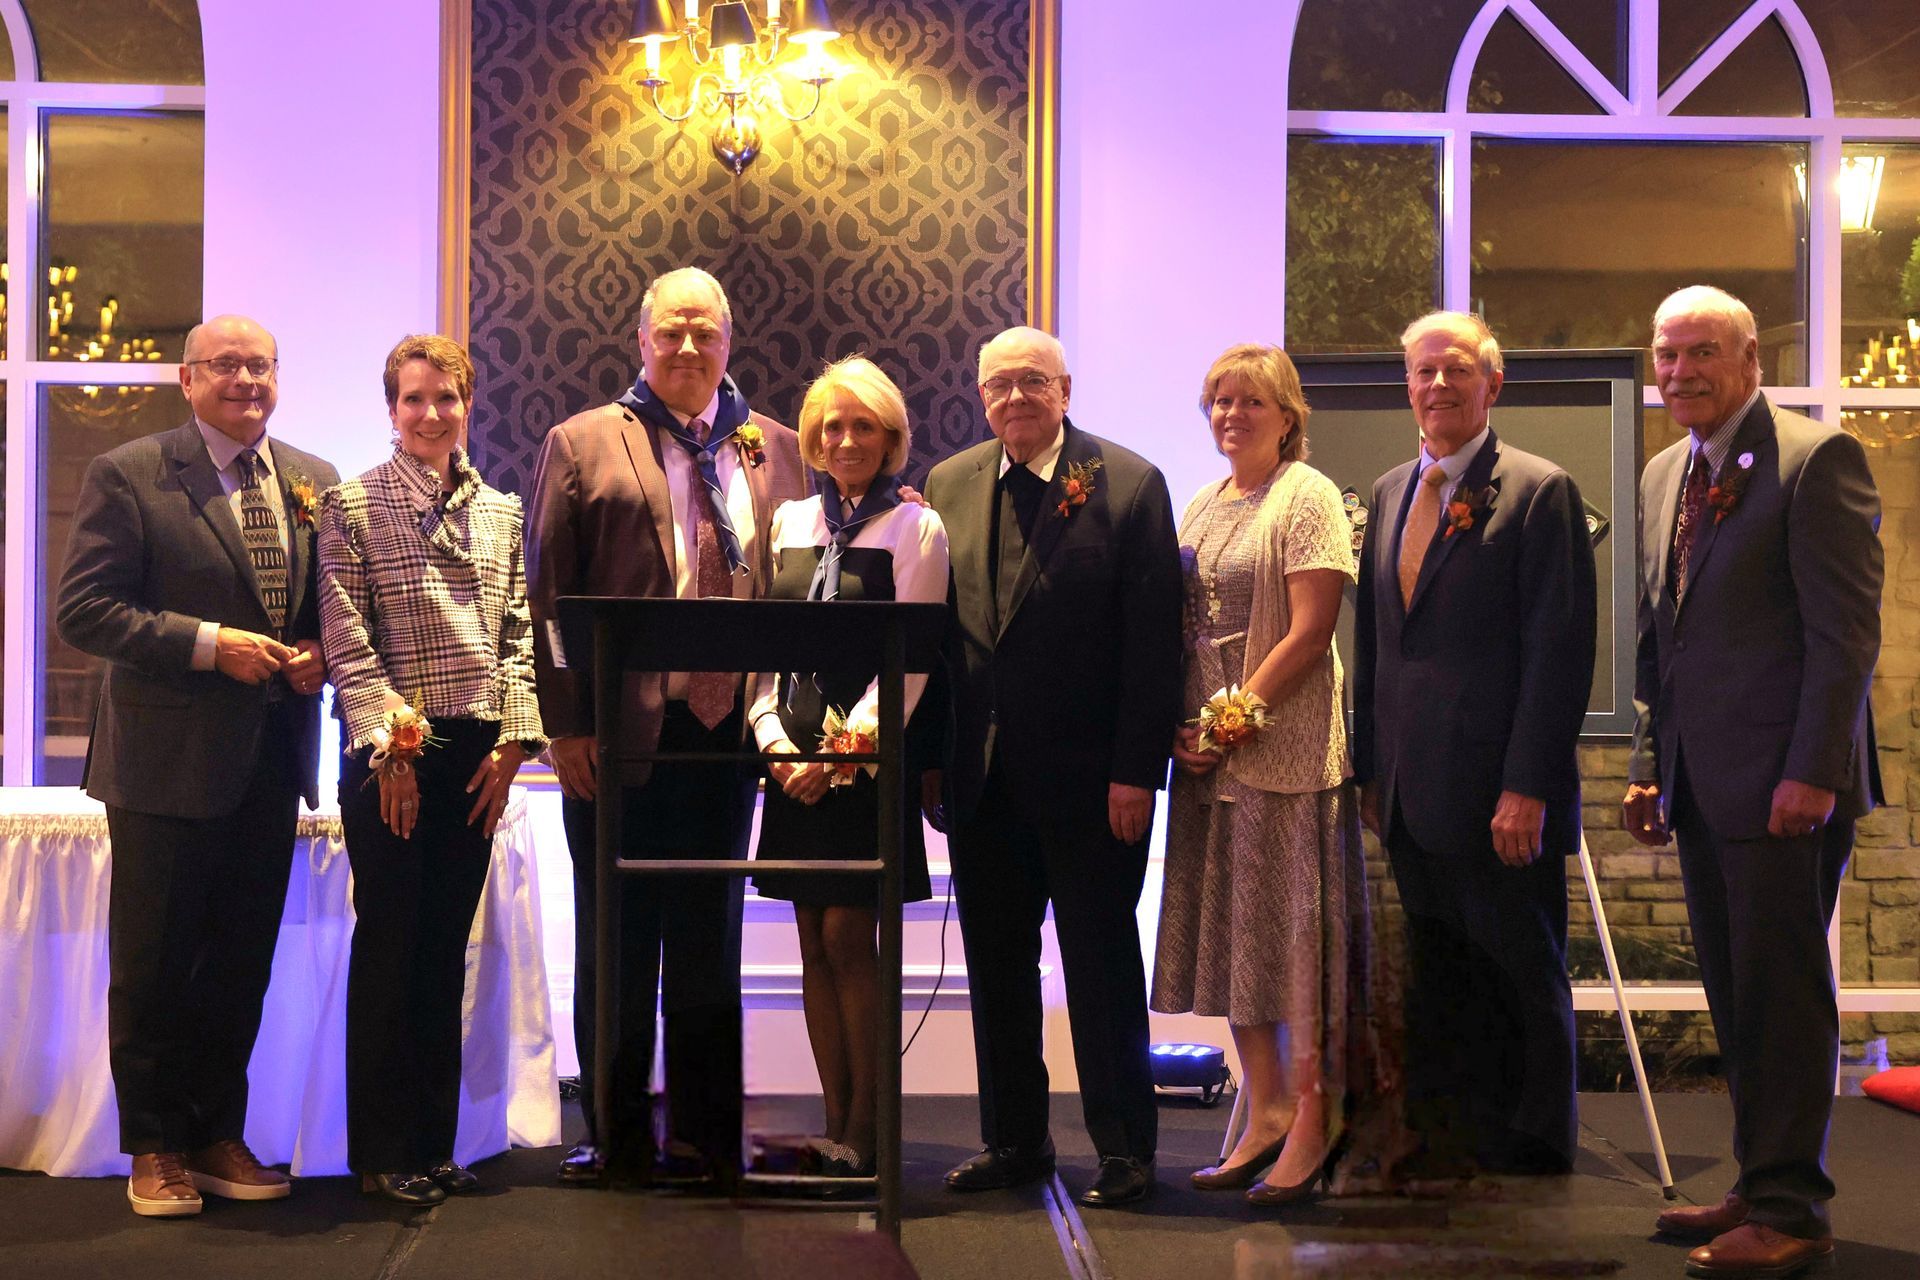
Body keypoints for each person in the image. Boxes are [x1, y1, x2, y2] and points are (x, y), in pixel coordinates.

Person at [526, 267, 807, 1188]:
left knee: (707, 939)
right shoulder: (582, 441)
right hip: (616, 738)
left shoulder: (780, 449)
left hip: (731, 738)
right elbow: (549, 600)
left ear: (730, 339)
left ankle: (703, 1135)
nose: (688, 348)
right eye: (670, 332)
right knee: (615, 941)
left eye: (705, 332)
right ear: (641, 339)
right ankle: (615, 1138)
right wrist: (565, 728)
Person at [55, 314, 338, 1217]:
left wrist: (320, 653)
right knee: (153, 967)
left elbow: (325, 607)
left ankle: (219, 1134)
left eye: (262, 365)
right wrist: (211, 646)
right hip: (161, 766)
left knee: (238, 964)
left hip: (269, 762)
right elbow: (86, 611)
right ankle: (156, 1147)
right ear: (187, 378)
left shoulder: (314, 480)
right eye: (227, 366)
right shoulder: (129, 473)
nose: (247, 380)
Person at [1625, 286, 1881, 1279]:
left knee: (1782, 994)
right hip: (1703, 781)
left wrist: (1814, 771)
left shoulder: (1816, 458)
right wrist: (1653, 765)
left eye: (1701, 353)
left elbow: (1845, 634)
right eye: (1668, 353)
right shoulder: (1661, 473)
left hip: (1785, 787)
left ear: (1747, 359)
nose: (1681, 371)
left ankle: (1794, 1208)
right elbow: (1664, 639)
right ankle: (1759, 1174)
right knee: (1736, 991)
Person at [923, 326, 1182, 1207]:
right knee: (997, 969)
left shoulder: (1132, 483)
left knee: (1102, 964)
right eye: (998, 385)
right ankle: (1015, 1141)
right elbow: (936, 642)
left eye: (1033, 382)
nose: (1015, 399)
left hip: (1093, 784)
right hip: (982, 781)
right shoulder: (947, 484)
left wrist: (1136, 772)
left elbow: (1154, 647)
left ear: (1066, 389)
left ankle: (1125, 1149)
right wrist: (932, 762)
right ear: (981, 396)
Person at [1350, 311, 1595, 1181]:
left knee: (1521, 963)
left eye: (1458, 370)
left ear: (1494, 384)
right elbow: (1378, 645)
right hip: (1412, 788)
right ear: (1407, 386)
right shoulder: (1386, 492)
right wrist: (1369, 770)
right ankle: (1454, 1128)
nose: (1439, 385)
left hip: (1501, 792)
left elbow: (1559, 654)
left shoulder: (1537, 491)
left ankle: (1533, 1137)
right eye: (1423, 371)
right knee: (1441, 967)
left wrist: (1528, 786)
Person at [317, 334, 544, 1205]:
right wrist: (390, 745)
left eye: (445, 398)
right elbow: (346, 637)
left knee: (446, 948)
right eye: (413, 399)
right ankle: (379, 1153)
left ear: (468, 404)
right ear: (391, 408)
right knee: (390, 946)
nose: (430, 414)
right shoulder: (353, 504)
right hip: (392, 760)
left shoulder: (503, 511)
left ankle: (432, 1143)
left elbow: (518, 632)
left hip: (478, 758)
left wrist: (516, 741)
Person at [1151, 343, 1370, 1206]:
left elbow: (1312, 629)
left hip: (1281, 753)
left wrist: (1232, 716)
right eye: (1219, 401)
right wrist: (1184, 727)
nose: (1232, 415)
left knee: (1294, 945)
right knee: (1239, 938)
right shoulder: (1204, 502)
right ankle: (1268, 1108)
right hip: (1212, 758)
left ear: (1288, 416)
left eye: (1251, 401)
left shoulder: (1307, 495)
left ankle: (1317, 1116)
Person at [747, 355, 949, 1179]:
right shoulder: (790, 521)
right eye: (833, 426)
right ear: (813, 440)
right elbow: (767, 659)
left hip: (866, 770)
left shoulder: (916, 528)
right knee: (809, 943)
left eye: (864, 425)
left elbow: (913, 667)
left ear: (892, 437)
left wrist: (843, 755)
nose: (847, 438)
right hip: (791, 770)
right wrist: (774, 745)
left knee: (846, 936)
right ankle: (833, 1125)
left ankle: (871, 1131)